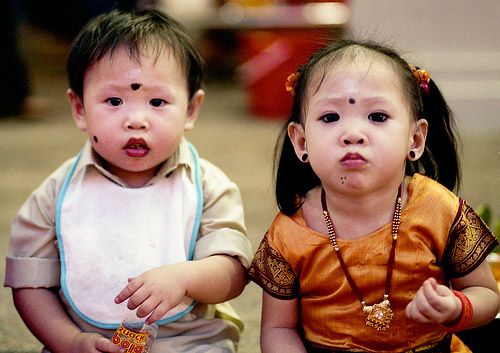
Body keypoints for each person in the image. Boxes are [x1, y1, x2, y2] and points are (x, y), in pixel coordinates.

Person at [4, 9, 252, 353]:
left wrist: (184, 277)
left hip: (191, 342)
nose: (136, 120)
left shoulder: (208, 185)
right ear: (79, 109)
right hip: (86, 343)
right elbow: (30, 284)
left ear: (191, 110)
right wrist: (68, 341)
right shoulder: (55, 195)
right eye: (114, 101)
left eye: (157, 101)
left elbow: (233, 273)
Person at [248, 39, 500, 352]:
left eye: (377, 117)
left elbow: (487, 296)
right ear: (301, 142)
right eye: (330, 118)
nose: (353, 133)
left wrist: (458, 306)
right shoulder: (290, 232)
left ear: (416, 138)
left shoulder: (440, 210)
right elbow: (277, 329)